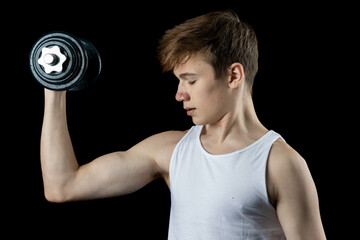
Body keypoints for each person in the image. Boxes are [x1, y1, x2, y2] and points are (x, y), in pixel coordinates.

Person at [40, 10, 326, 239]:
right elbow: (63, 186)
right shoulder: (169, 150)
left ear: (234, 75)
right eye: (179, 81)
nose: (179, 94)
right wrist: (55, 87)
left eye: (191, 80)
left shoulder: (280, 164)